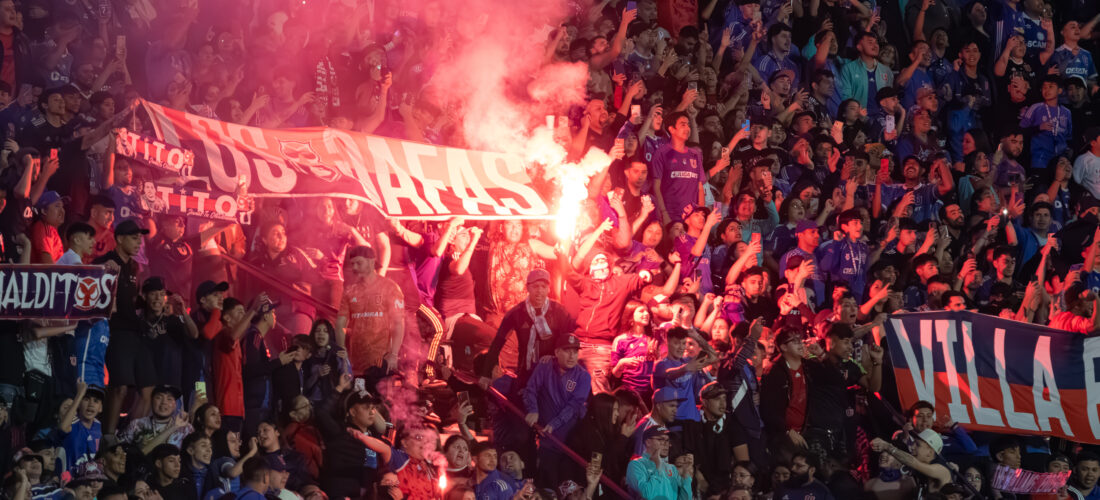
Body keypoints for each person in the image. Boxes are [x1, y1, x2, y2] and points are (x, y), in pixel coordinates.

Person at [481, 269, 576, 387]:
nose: (539, 291)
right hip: (526, 373)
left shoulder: (559, 311)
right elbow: (497, 344)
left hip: (553, 374)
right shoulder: (516, 314)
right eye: (535, 286)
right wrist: (485, 374)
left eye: (543, 286)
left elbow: (571, 344)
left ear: (548, 289)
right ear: (528, 288)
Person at [522, 333, 591, 488]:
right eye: (567, 350)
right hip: (546, 437)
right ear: (556, 352)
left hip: (569, 437)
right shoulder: (545, 366)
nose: (572, 356)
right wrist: (532, 410)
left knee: (565, 481)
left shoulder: (583, 376)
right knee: (546, 482)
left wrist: (554, 424)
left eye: (575, 351)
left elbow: (574, 406)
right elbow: (530, 390)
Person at [335, 245, 404, 376]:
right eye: (352, 264)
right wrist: (343, 353)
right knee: (360, 395)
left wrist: (394, 354)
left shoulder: (390, 288)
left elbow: (398, 323)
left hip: (381, 362)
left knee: (379, 395)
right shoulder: (350, 290)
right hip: (356, 364)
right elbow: (340, 324)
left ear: (371, 262)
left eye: (359, 263)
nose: (354, 267)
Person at [624, 426, 693, 500]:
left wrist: (686, 476)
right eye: (661, 439)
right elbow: (647, 494)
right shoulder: (636, 465)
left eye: (667, 440)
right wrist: (657, 468)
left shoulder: (671, 468)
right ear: (648, 442)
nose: (666, 444)